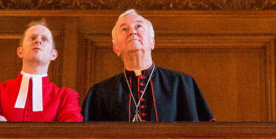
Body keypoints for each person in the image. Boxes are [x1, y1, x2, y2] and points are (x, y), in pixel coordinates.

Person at [82, 10, 213, 121]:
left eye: (138, 27)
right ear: (116, 49)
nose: (132, 32)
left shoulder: (181, 83)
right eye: (124, 29)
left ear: (152, 42)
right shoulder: (100, 93)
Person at [0, 21, 83, 122]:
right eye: (32, 38)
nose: (38, 41)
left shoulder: (66, 97)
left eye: (44, 39)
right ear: (20, 51)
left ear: (54, 54)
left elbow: (72, 129)